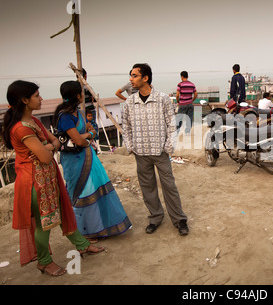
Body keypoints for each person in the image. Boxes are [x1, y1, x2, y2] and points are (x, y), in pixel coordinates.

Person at [1, 80, 104, 276]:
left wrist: (49, 146)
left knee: (61, 213)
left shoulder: (34, 121)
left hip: (46, 178)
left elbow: (56, 140)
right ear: (24, 100)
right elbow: (48, 155)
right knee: (43, 224)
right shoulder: (22, 128)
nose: (41, 99)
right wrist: (50, 147)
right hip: (34, 183)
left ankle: (82, 245)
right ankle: (44, 262)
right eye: (37, 96)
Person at [55, 81, 132, 242]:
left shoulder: (78, 112)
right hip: (75, 161)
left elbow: (90, 131)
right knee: (82, 193)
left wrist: (86, 136)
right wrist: (88, 136)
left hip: (88, 157)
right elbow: (79, 140)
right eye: (82, 92)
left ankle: (99, 227)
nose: (84, 95)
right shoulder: (65, 116)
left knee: (95, 190)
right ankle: (86, 232)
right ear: (77, 95)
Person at [122, 63, 189, 236]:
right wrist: (130, 146)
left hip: (160, 152)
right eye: (131, 75)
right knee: (147, 187)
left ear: (146, 78)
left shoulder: (162, 98)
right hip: (141, 153)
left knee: (169, 186)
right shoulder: (130, 102)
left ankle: (179, 219)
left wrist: (168, 146)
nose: (131, 79)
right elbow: (126, 126)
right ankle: (155, 217)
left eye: (134, 75)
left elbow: (171, 124)